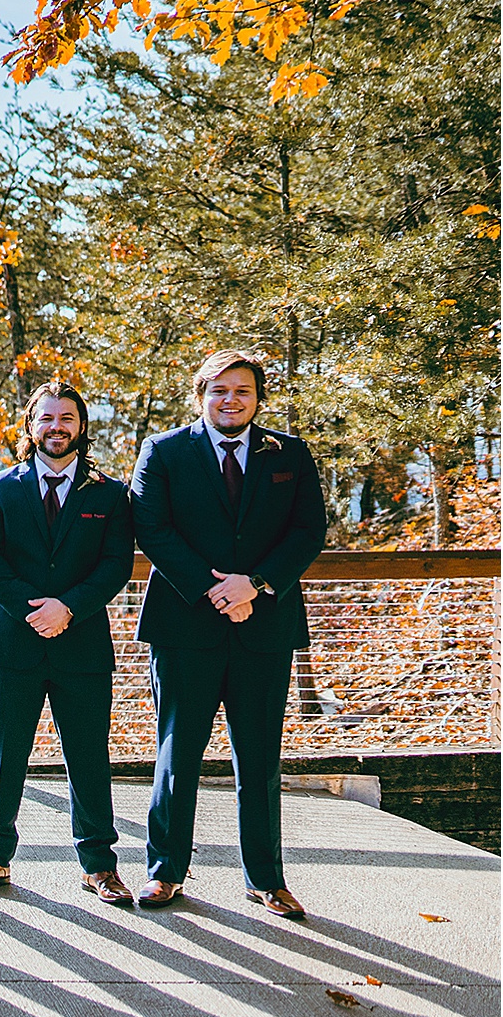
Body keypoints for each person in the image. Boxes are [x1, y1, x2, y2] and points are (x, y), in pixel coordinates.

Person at [130, 350, 327, 916]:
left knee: (260, 758)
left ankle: (265, 877)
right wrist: (215, 589)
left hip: (265, 626)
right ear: (200, 396)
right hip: (185, 625)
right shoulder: (163, 452)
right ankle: (165, 870)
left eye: (242, 391)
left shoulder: (290, 454)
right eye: (219, 390)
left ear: (258, 398)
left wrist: (256, 584)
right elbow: (152, 527)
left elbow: (307, 529)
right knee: (177, 753)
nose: (230, 400)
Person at [0, 382, 135, 903]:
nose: (56, 428)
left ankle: (99, 864)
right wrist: (35, 609)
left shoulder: (109, 493)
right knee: (4, 754)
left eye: (67, 419)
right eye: (46, 419)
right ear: (30, 425)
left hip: (80, 642)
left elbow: (115, 565)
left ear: (81, 426)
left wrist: (69, 608)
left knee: (88, 756)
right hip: (13, 642)